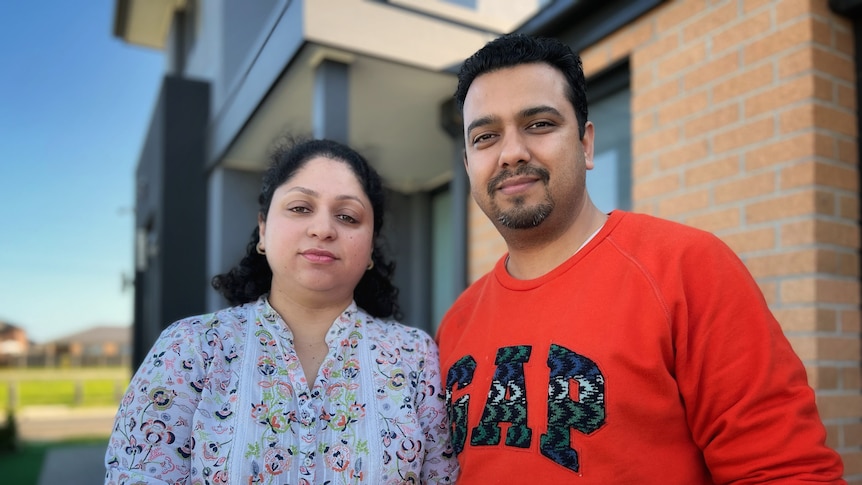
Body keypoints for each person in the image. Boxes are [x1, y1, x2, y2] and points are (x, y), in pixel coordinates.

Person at [435, 33, 846, 483]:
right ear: (469, 163)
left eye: (539, 124)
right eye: (486, 137)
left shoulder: (687, 268)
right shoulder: (457, 323)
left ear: (586, 145)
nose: (511, 152)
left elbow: (786, 472)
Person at [105, 138, 459, 484]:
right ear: (262, 229)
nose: (322, 229)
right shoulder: (191, 348)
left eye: (348, 216)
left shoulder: (413, 355)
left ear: (370, 248)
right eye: (300, 208)